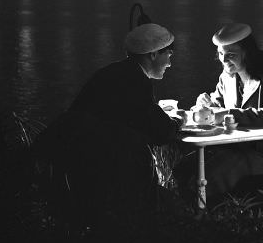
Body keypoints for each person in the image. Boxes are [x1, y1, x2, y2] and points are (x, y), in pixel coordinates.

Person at [34, 23, 185, 226]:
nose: (170, 63)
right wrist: (178, 122)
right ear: (153, 55)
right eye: (169, 55)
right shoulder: (136, 81)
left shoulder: (111, 72)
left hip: (75, 160)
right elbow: (161, 132)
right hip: (104, 169)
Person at [178, 22, 263, 201]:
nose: (224, 60)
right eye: (220, 54)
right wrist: (203, 105)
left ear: (248, 52)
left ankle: (204, 216)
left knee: (210, 175)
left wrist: (225, 114)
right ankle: (197, 214)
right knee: (183, 169)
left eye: (230, 54)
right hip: (238, 147)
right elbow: (216, 104)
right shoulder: (226, 76)